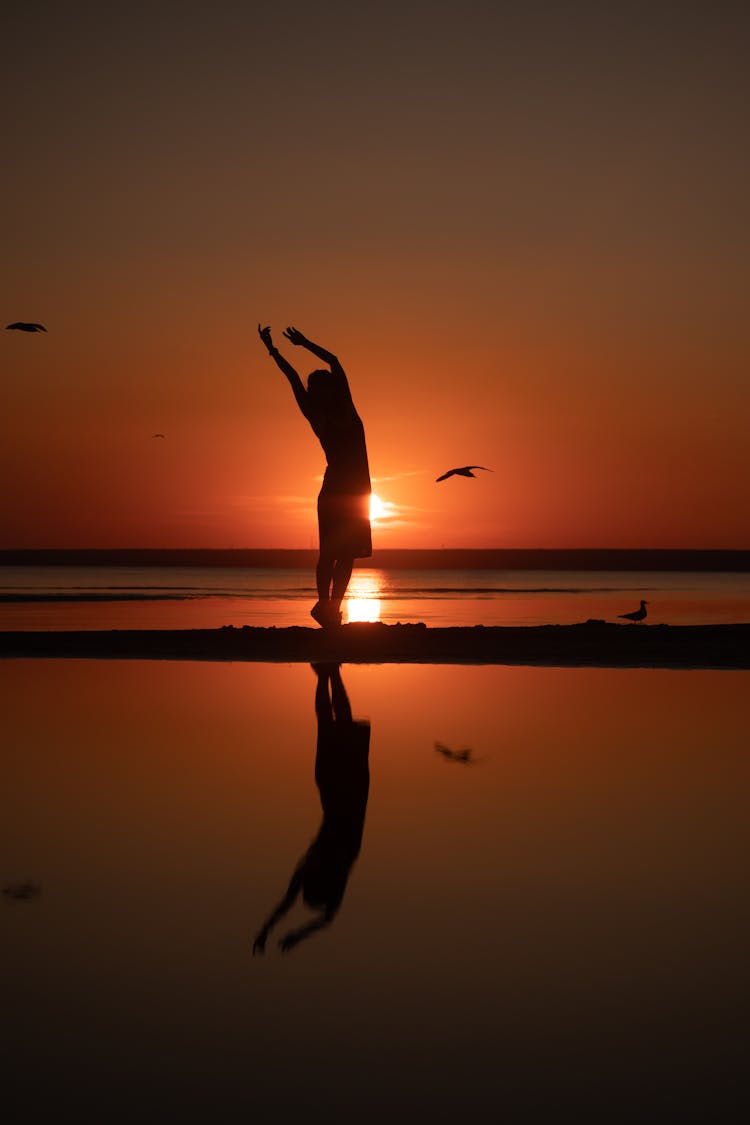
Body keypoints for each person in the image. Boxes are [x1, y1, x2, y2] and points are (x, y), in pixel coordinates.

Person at [252, 663, 371, 953]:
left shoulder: (332, 866)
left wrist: (274, 931)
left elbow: (300, 907)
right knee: (334, 725)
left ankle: (329, 672)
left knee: (333, 725)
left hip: (341, 792)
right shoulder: (339, 862)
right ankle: (329, 672)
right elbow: (318, 913)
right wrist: (288, 934)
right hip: (343, 791)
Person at [258, 324, 372, 627]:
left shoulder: (348, 409)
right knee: (330, 553)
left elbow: (334, 361)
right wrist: (273, 351)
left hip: (359, 492)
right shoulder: (317, 415)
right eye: (317, 386)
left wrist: (306, 342)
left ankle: (332, 609)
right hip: (336, 490)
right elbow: (292, 378)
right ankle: (325, 606)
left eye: (323, 385)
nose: (319, 389)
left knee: (348, 554)